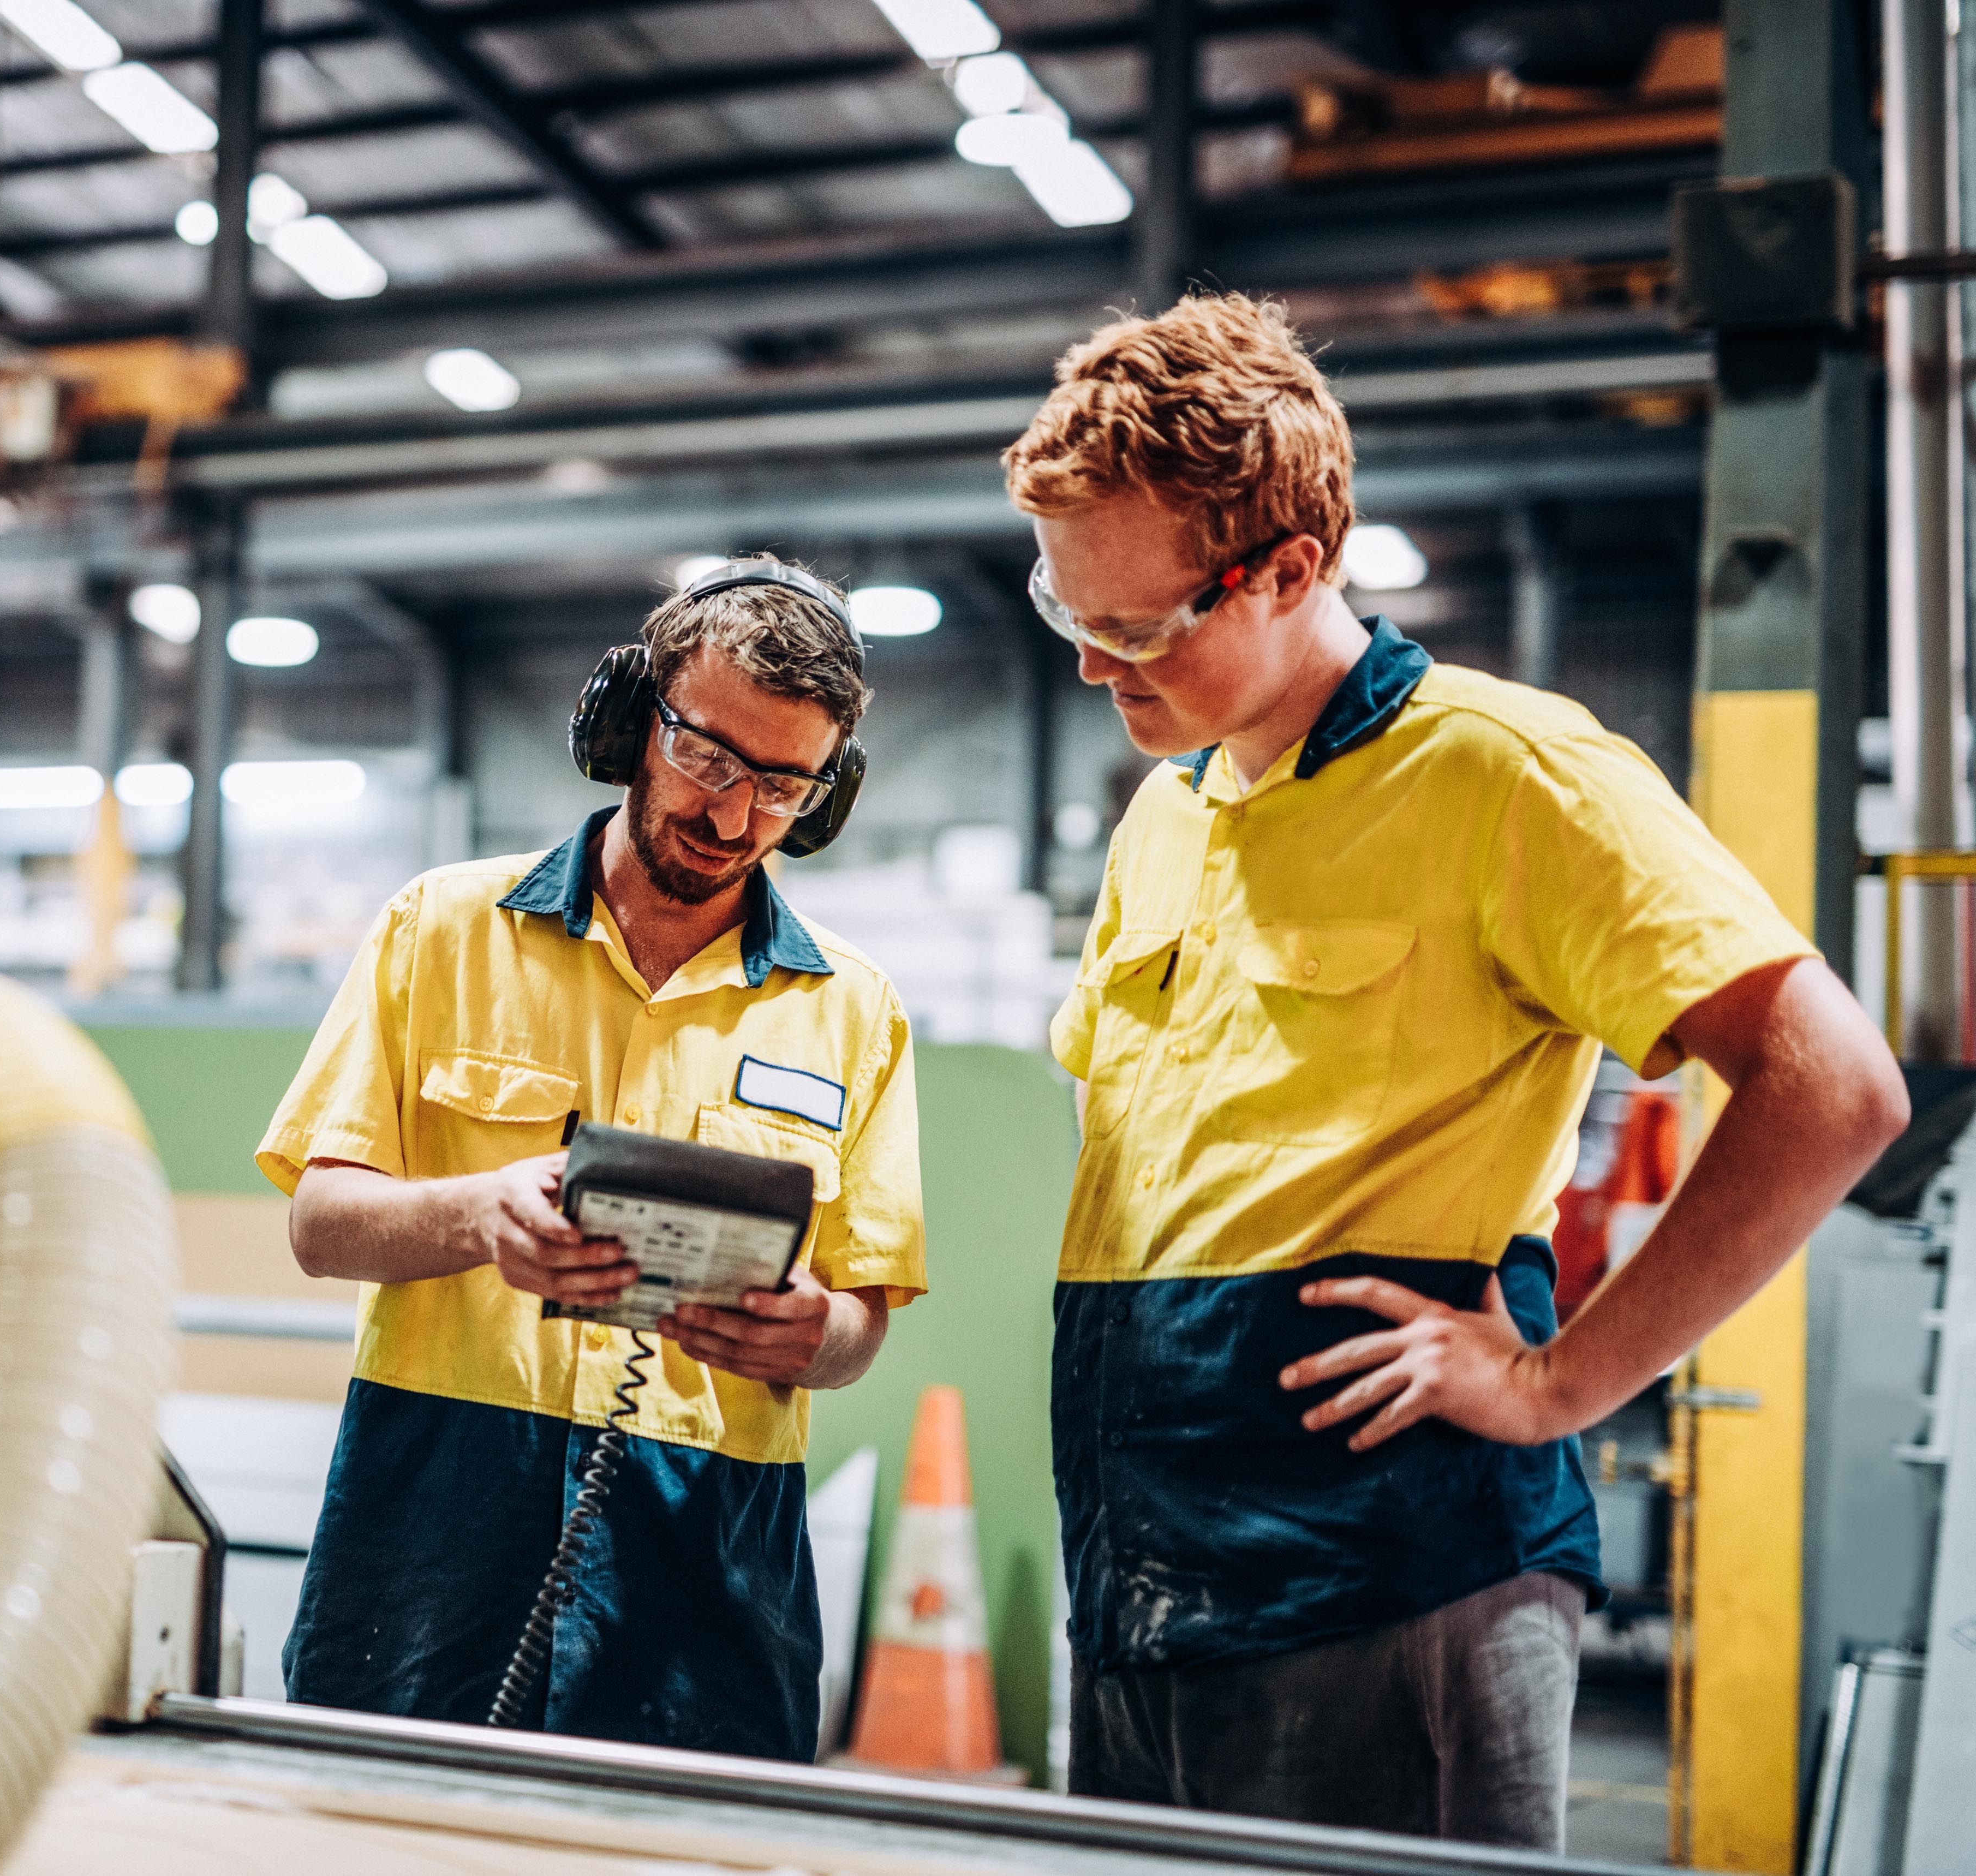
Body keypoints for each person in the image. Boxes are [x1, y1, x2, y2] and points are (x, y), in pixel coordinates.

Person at [1007, 295, 1907, 1848]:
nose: (1097, 669)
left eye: (1141, 629)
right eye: (1064, 612)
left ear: (1291, 568)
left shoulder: (1508, 772)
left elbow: (1834, 1084)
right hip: (1148, 1596)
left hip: (1384, 1586)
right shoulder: (1173, 810)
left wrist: (1561, 1379)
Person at [255, 559, 927, 1761]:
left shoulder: (854, 1011)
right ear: (630, 718)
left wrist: (811, 1335)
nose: (730, 817)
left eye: (781, 786)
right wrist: (478, 1214)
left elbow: (860, 1320)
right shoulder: (439, 930)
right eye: (706, 758)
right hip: (434, 1519)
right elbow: (320, 1225)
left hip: (707, 1551)